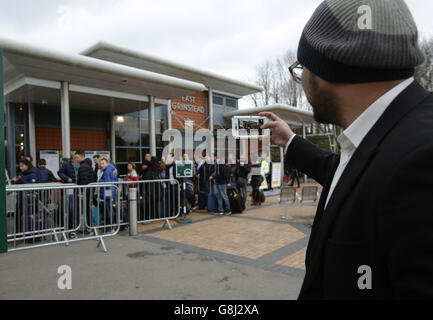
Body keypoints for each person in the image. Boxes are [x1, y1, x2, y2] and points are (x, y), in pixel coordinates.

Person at [260, 0, 433, 299]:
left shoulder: (421, 163)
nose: (301, 79)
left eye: (301, 67)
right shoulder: (394, 135)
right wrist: (290, 141)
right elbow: (350, 174)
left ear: (327, 67)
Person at [98, 157, 118, 230]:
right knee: (109, 210)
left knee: (109, 211)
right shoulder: (110, 169)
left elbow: (107, 183)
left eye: (103, 163)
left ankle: (110, 227)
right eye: (101, 163)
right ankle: (110, 226)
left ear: (107, 163)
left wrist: (100, 181)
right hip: (109, 191)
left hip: (108, 192)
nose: (102, 165)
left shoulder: (107, 171)